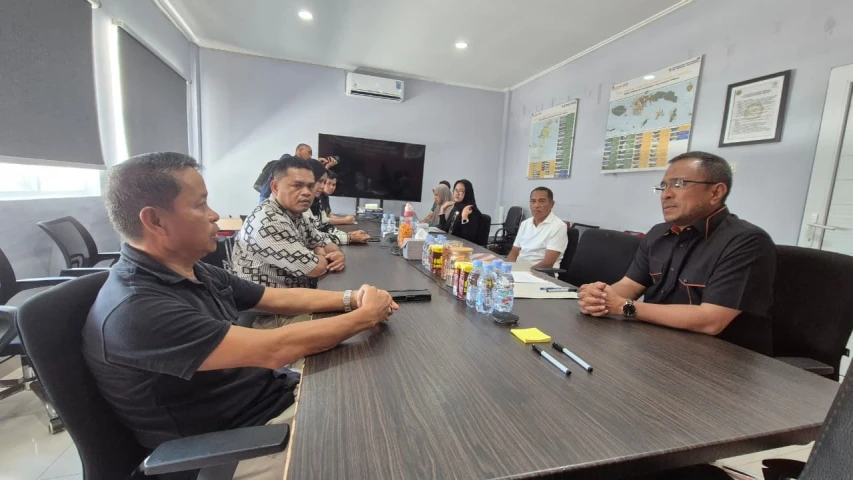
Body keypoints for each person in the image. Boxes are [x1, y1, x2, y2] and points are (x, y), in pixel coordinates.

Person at [84, 152, 397, 479]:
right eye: (201, 205)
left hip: (270, 402)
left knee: (374, 407)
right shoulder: (137, 309)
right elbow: (275, 349)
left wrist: (353, 298)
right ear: (155, 221)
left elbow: (276, 297)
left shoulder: (192, 270)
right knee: (377, 451)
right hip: (236, 446)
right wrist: (365, 316)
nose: (214, 214)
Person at [577, 151, 776, 355]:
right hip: (655, 344)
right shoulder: (657, 234)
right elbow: (630, 285)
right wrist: (599, 297)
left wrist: (624, 306)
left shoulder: (746, 241)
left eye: (679, 184)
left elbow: (711, 320)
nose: (666, 194)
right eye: (663, 186)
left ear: (716, 192)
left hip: (718, 358)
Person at [233, 155, 347, 290]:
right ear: (275, 187)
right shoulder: (268, 222)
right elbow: (314, 268)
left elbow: (323, 240)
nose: (307, 193)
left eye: (310, 186)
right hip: (269, 302)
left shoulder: (296, 214)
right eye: (297, 186)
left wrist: (337, 254)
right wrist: (325, 256)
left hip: (295, 293)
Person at [304, 162, 370, 244]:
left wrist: (348, 235)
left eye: (324, 182)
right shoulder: (303, 206)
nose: (322, 186)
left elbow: (325, 226)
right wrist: (350, 237)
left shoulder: (317, 201)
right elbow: (314, 238)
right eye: (320, 181)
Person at [507, 187, 568, 269]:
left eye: (541, 201)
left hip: (541, 273)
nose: (536, 205)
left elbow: (548, 263)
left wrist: (523, 271)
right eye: (533, 201)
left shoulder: (559, 226)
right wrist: (507, 268)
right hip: (519, 270)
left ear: (551, 204)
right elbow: (514, 253)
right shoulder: (525, 224)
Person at [439, 179, 483, 244]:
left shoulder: (472, 211)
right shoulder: (456, 207)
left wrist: (464, 217)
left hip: (462, 247)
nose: (457, 193)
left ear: (467, 193)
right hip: (449, 243)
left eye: (461, 191)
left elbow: (468, 239)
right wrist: (442, 210)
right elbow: (444, 231)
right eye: (455, 190)